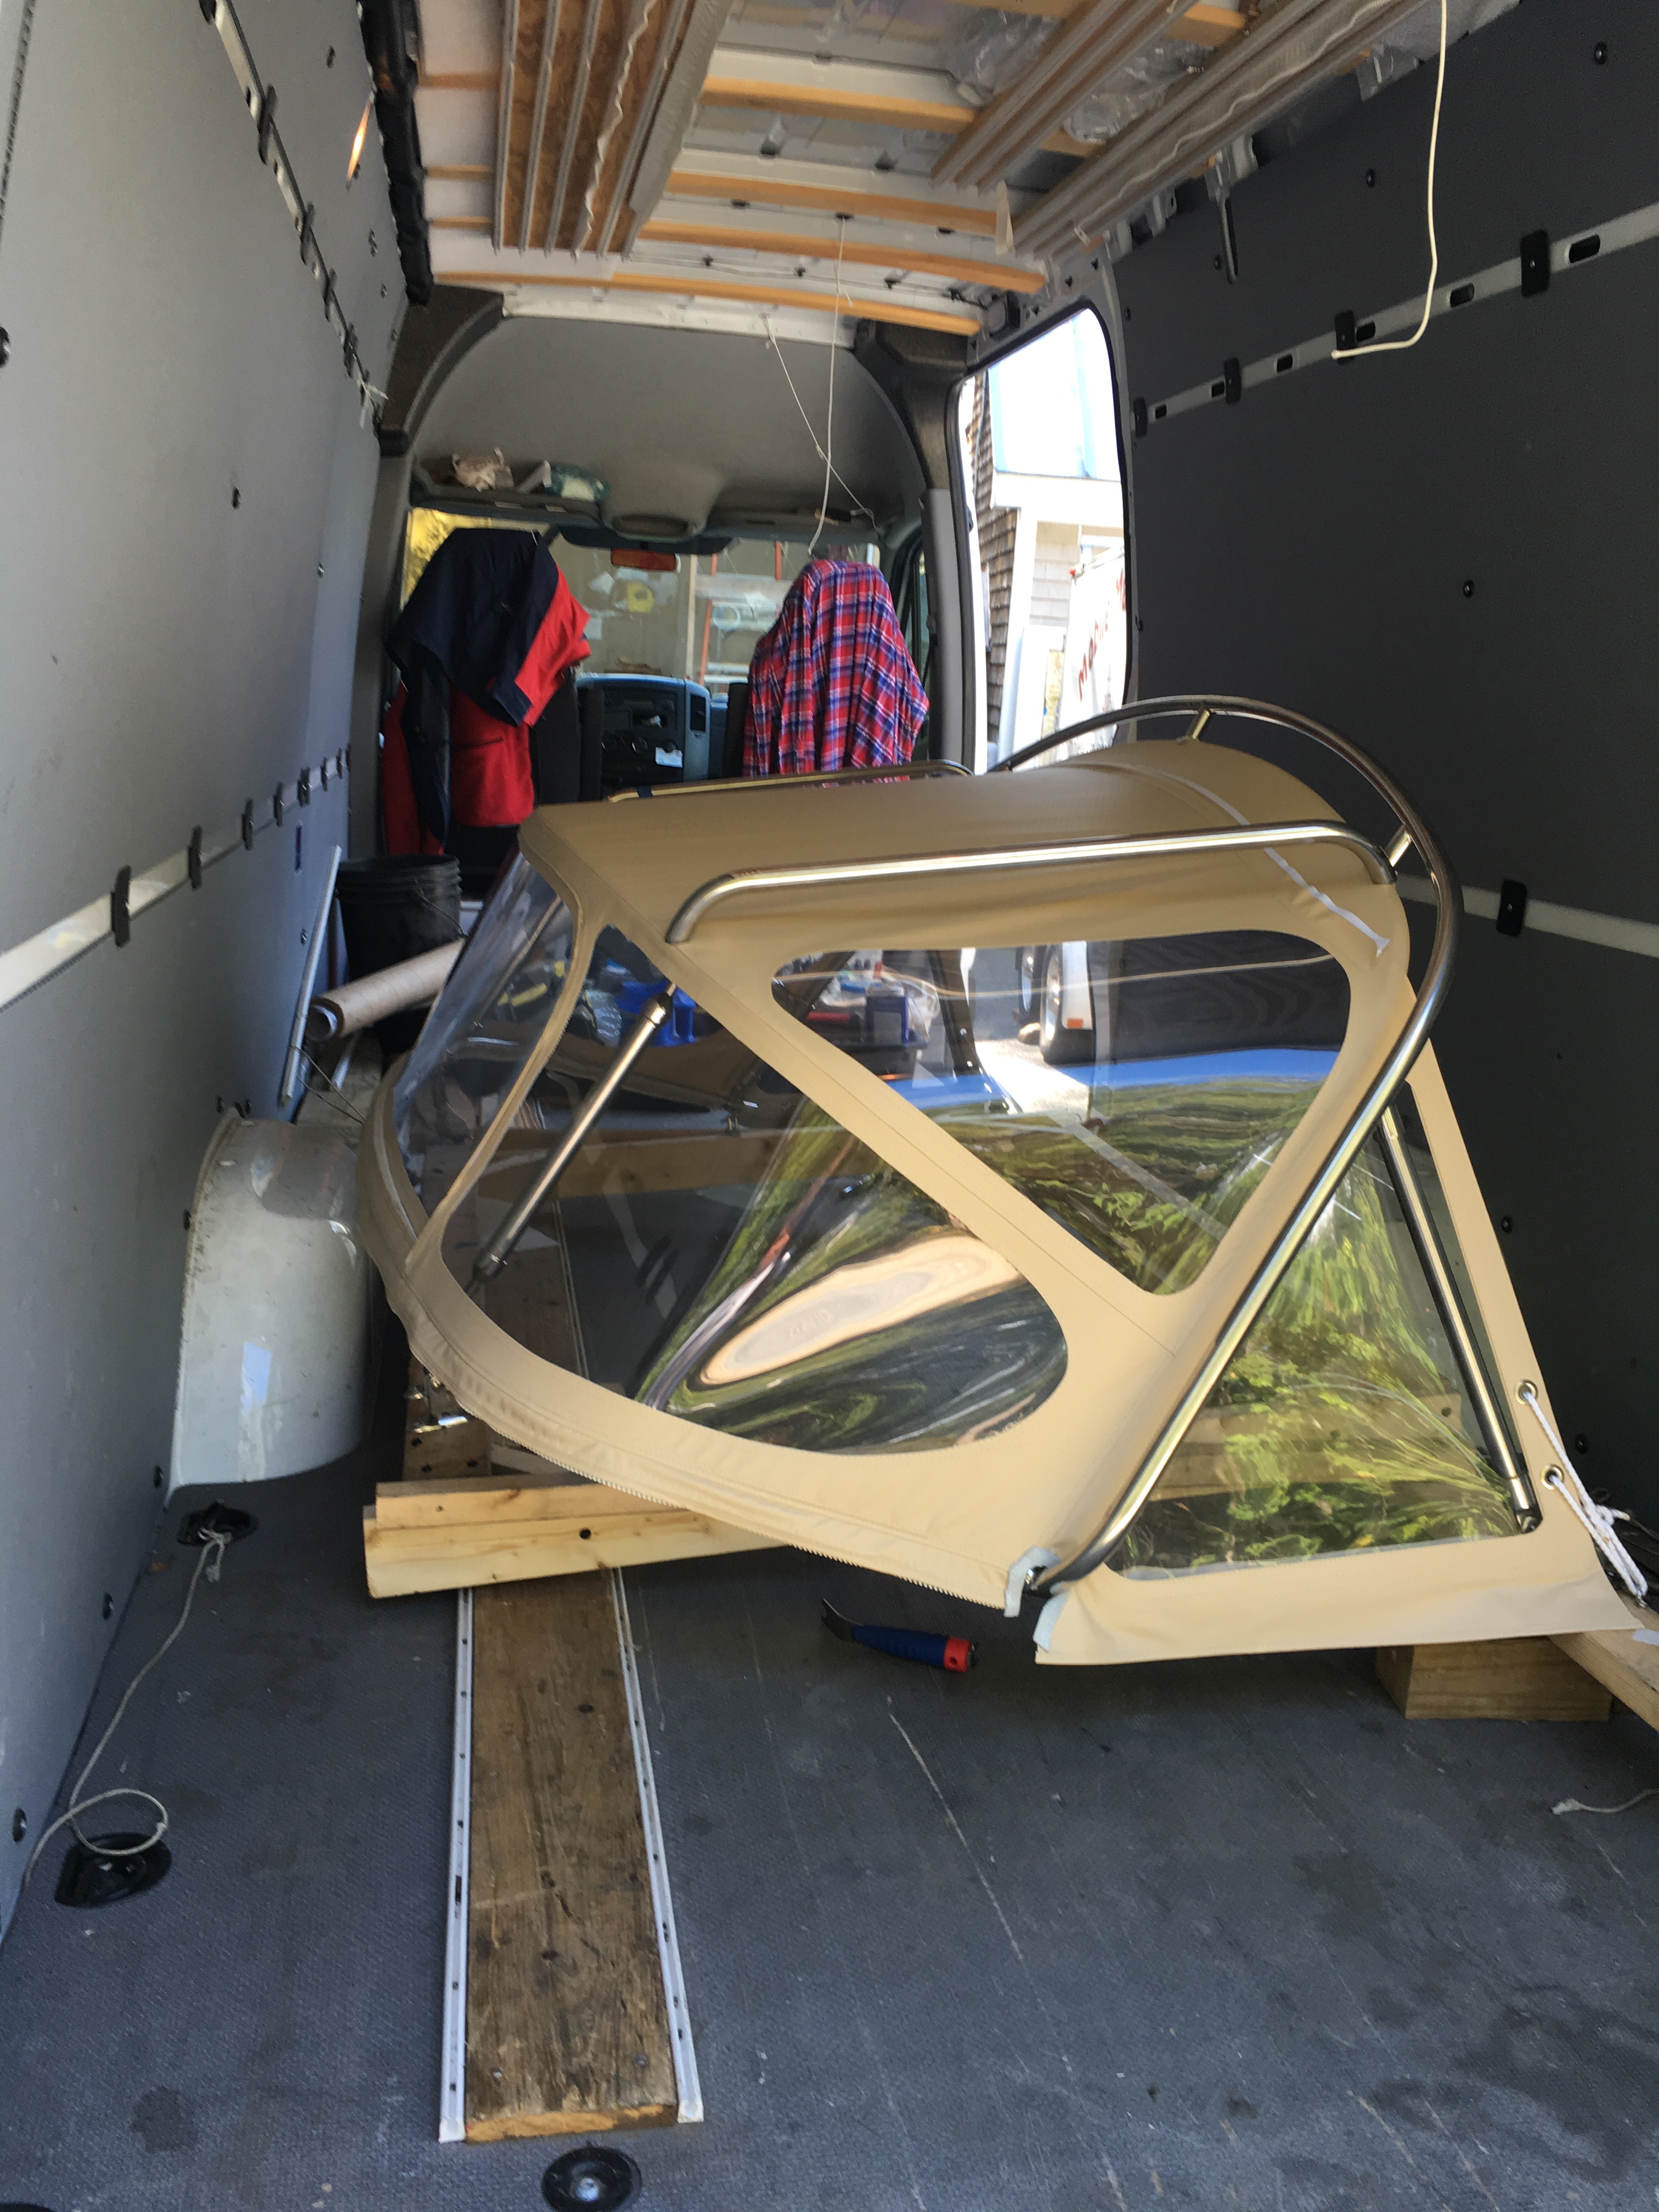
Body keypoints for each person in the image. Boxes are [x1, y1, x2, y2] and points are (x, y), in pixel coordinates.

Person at [743, 558, 928, 777]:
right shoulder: (898, 676)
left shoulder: (770, 672)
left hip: (792, 798)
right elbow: (915, 706)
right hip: (878, 798)